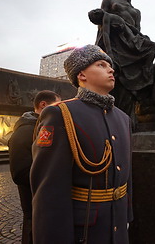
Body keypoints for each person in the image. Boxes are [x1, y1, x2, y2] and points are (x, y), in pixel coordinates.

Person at [30, 45, 133, 243]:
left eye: (110, 66)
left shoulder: (123, 118)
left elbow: (127, 177)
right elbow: (49, 190)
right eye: (101, 65)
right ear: (82, 75)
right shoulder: (60, 114)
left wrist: (126, 216)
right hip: (85, 230)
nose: (111, 70)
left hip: (118, 225)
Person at [8, 90, 61, 244]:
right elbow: (20, 173)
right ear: (43, 105)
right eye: (57, 105)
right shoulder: (25, 131)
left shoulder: (41, 127)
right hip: (34, 203)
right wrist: (51, 178)